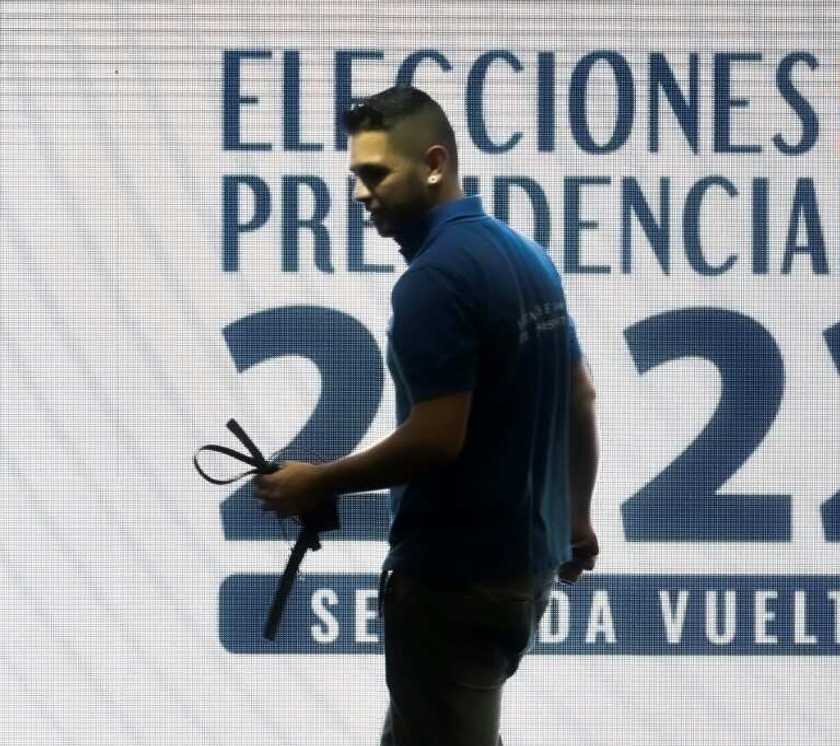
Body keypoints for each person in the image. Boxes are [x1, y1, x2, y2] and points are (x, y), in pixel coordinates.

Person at [252, 85, 600, 746]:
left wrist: (317, 481)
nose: (360, 192)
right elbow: (580, 396)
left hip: (455, 585)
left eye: (375, 174)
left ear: (434, 164)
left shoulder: (433, 282)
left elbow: (438, 439)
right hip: (524, 574)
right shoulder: (531, 259)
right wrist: (576, 517)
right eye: (357, 175)